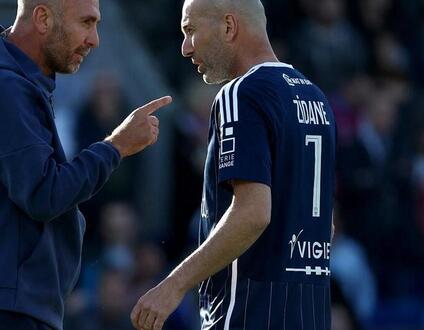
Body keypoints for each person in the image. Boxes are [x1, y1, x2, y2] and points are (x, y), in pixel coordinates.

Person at [0, 0, 172, 328]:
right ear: (43, 18)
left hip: (2, 305)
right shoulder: (2, 87)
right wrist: (116, 146)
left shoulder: (7, 83)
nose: (94, 39)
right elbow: (45, 193)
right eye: (86, 22)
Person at [131, 0, 336, 329]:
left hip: (248, 315)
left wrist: (173, 285)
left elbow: (253, 212)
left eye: (191, 31)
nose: (185, 48)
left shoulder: (241, 94)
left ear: (229, 27)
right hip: (310, 315)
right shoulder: (316, 99)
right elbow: (324, 226)